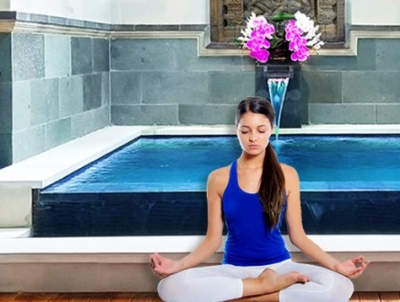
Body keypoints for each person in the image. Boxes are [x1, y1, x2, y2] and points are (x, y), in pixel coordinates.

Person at [150, 97, 368, 302]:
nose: (253, 138)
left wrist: (337, 266)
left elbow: (298, 237)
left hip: (279, 267)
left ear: (272, 129)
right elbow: (212, 241)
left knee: (339, 286)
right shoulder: (218, 178)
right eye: (245, 131)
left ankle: (247, 293)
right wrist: (177, 266)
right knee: (169, 287)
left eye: (261, 130)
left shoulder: (287, 175)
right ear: (236, 131)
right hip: (234, 270)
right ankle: (264, 287)